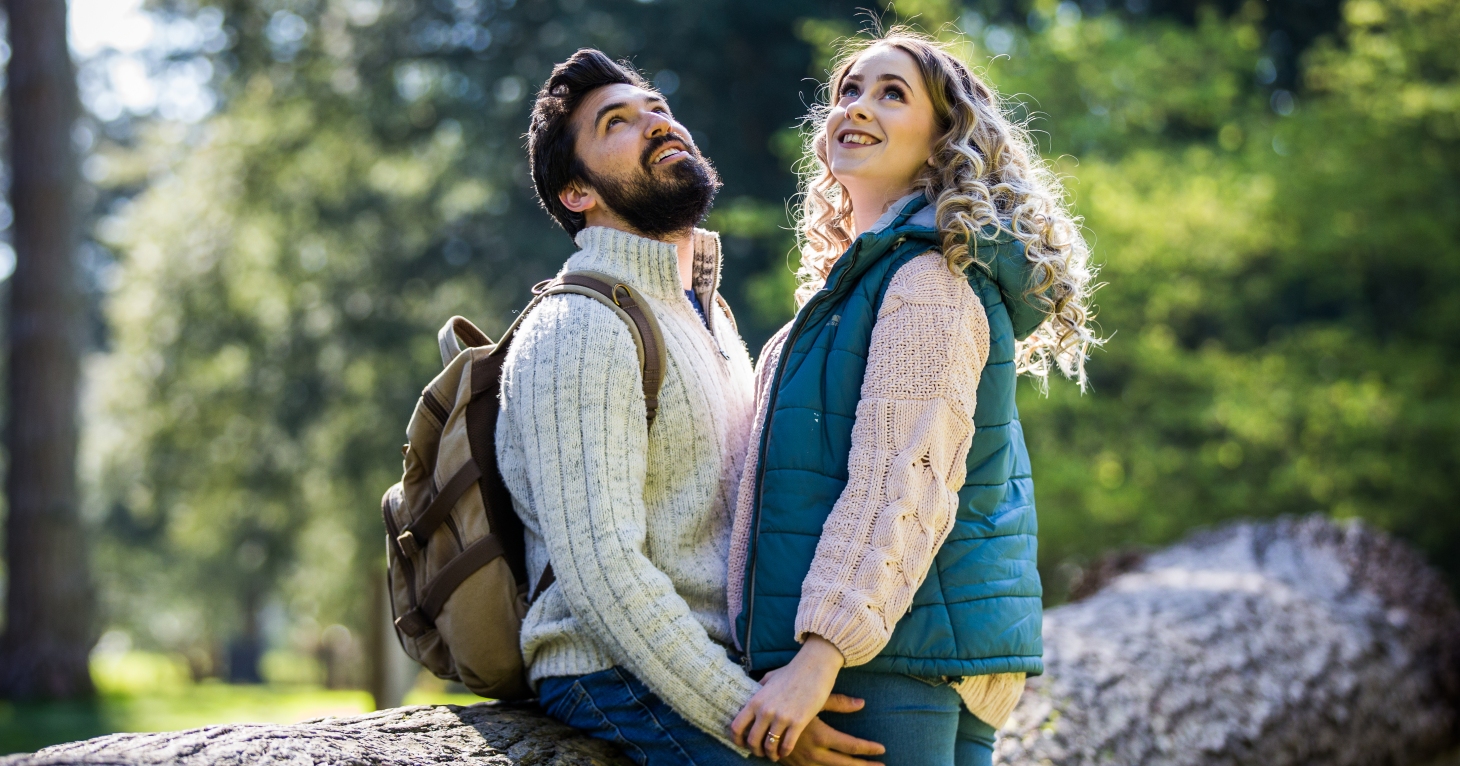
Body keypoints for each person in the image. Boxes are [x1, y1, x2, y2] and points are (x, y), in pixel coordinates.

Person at [497, 49, 887, 766]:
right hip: (609, 669)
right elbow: (604, 575)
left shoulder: (707, 316)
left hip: (712, 662)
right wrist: (753, 718)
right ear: (578, 191)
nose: (655, 121)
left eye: (658, 108)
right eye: (618, 121)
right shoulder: (580, 326)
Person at [726, 29, 1100, 766]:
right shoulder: (860, 289)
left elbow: (901, 485)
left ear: (941, 143)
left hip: (887, 670)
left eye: (892, 94)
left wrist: (818, 658)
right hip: (892, 657)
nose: (858, 107)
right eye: (849, 92)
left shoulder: (927, 283)